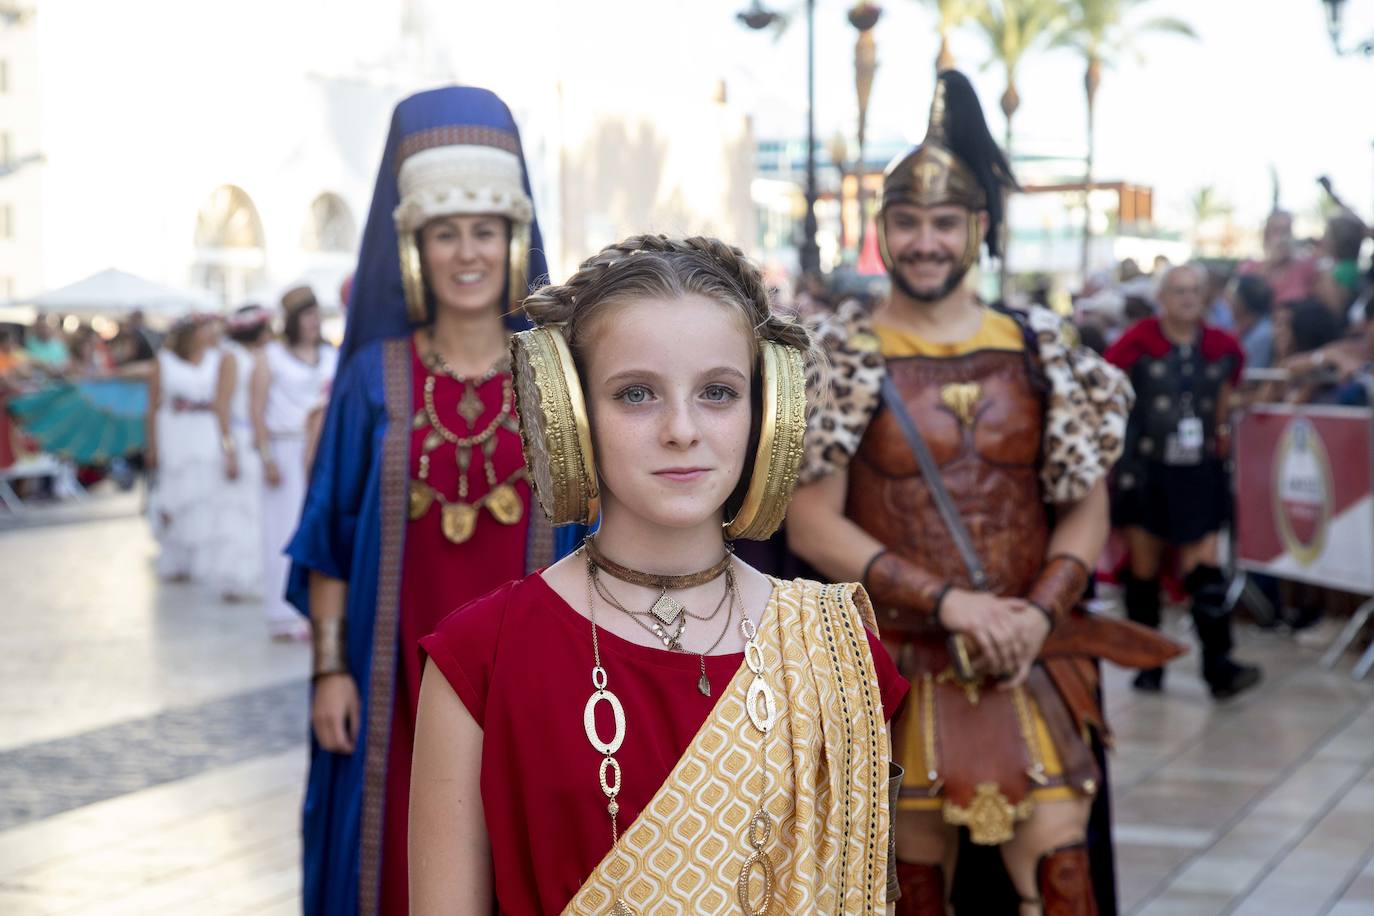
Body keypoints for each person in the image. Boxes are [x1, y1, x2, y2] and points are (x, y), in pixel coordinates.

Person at [409, 234, 908, 914]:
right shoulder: (479, 657)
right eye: (637, 394)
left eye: (718, 393)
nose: (681, 429)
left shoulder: (839, 651)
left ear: (769, 412)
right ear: (570, 416)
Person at [783, 70, 1169, 915]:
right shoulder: (840, 357)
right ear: (884, 231)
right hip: (904, 666)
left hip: (1033, 662)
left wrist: (1035, 612)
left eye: (944, 222)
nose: (926, 241)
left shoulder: (1041, 349)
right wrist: (953, 605)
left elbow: (1084, 503)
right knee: (908, 895)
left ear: (979, 228)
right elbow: (811, 524)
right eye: (908, 222)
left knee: (1064, 886)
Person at [283, 87, 584, 916]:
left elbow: (599, 538)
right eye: (444, 232)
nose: (466, 252)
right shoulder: (371, 381)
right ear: (415, 245)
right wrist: (328, 671)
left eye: (484, 230)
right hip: (389, 696)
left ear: (512, 238)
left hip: (532, 689)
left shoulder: (557, 381)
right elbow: (328, 543)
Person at [1107, 263, 1261, 699]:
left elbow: (1224, 407)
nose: (1188, 298)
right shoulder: (1136, 343)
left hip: (1198, 469)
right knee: (1144, 569)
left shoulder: (1222, 347)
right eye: (1178, 290)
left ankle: (1219, 665)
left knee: (1205, 567)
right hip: (1147, 469)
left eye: (1195, 289)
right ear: (1163, 297)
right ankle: (1148, 664)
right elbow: (1111, 393)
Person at [253, 286, 337, 639]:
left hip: (322, 450)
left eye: (316, 314)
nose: (313, 322)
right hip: (285, 449)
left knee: (317, 526)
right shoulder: (270, 356)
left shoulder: (331, 354)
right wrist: (267, 457)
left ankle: (316, 612)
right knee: (282, 529)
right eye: (306, 315)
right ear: (291, 321)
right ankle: (283, 614)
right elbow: (256, 410)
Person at [146, 315, 225, 582]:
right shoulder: (164, 362)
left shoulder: (217, 358)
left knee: (206, 490)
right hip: (175, 432)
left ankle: (204, 557)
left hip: (206, 430)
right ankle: (177, 557)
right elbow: (153, 405)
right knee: (177, 492)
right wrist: (152, 445)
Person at [204, 305, 271, 601]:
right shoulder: (232, 357)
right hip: (240, 439)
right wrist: (228, 449)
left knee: (256, 509)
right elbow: (222, 404)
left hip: (256, 437)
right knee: (237, 510)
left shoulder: (261, 357)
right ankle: (236, 577)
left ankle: (257, 575)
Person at [1240, 210, 1317, 307]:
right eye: (1276, 231)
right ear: (1266, 235)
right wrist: (1270, 264)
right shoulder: (1250, 267)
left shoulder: (1304, 267)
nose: (1282, 238)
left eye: (1286, 231)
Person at [1228, 273, 1275, 370]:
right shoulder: (1240, 326)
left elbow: (1247, 377)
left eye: (1234, 295)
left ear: (1243, 301)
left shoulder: (1263, 334)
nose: (1229, 300)